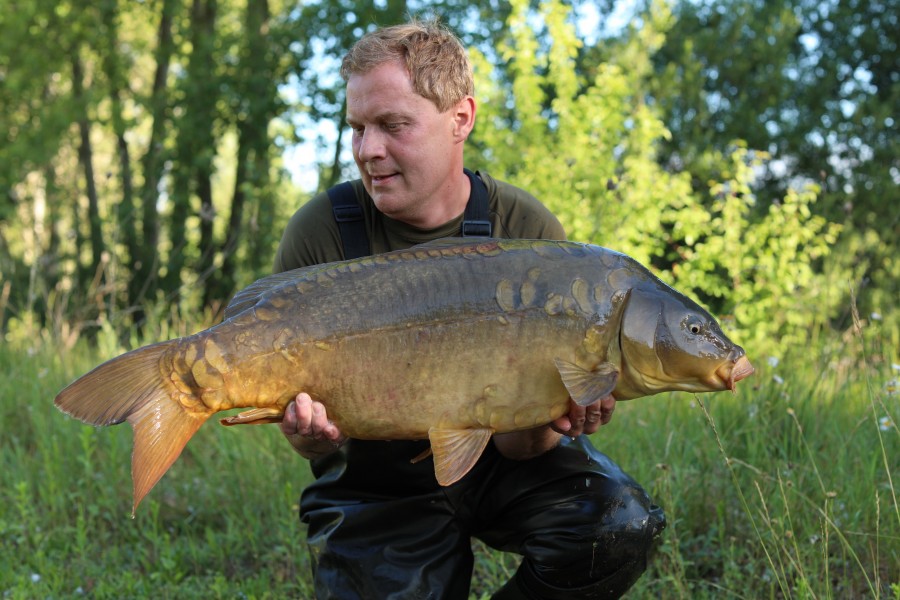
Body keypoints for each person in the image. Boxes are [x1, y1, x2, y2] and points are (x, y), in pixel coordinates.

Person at [274, 19, 665, 599]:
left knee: (618, 522)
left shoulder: (528, 233)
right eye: (357, 128)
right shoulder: (322, 233)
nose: (367, 150)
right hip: (378, 487)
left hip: (503, 467)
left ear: (460, 119)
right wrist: (310, 435)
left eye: (392, 125)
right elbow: (307, 438)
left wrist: (552, 422)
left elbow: (522, 446)